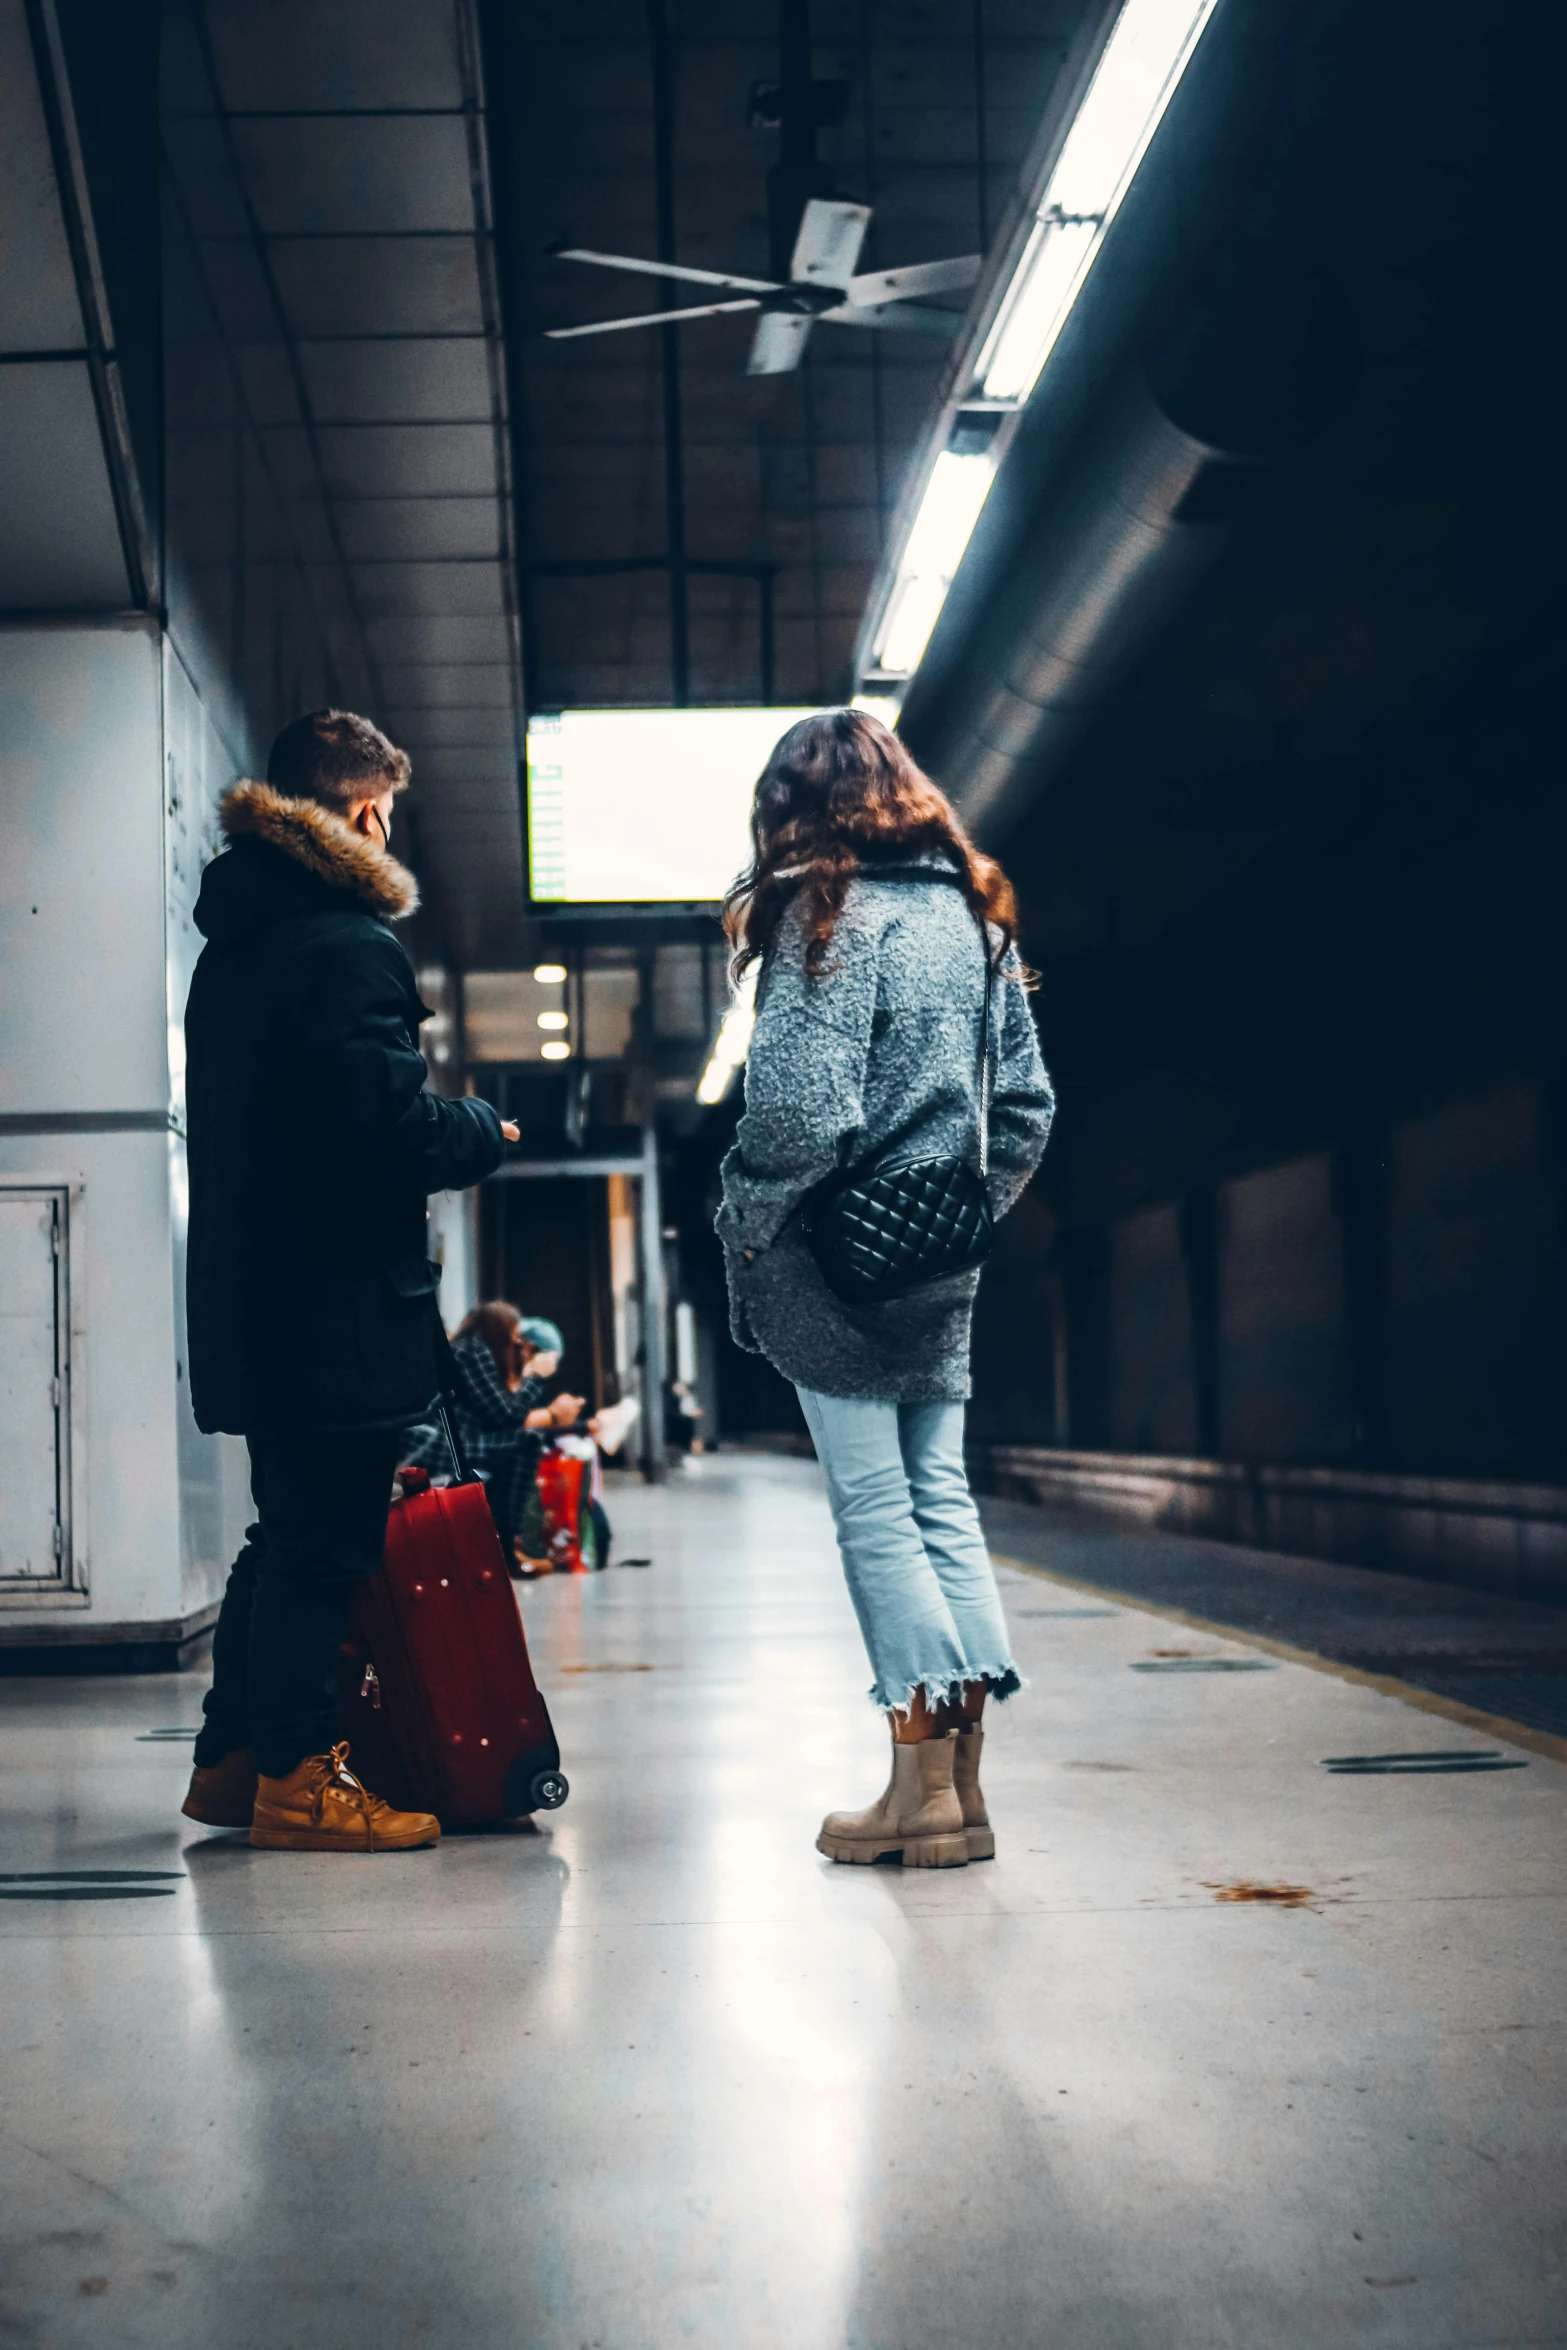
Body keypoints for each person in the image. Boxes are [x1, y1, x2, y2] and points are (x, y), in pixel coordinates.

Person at [715, 709, 1054, 1869]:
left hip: (833, 1264)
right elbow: (1026, 1110)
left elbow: (800, 1112)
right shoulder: (972, 920)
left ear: (792, 809)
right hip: (940, 1262)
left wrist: (750, 1218)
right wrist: (956, 1211)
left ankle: (918, 1795)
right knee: (938, 1502)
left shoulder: (827, 912)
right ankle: (960, 1791)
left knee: (875, 1511)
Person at [179, 709, 519, 1853]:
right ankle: (294, 1776)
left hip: (258, 1299)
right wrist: (481, 1125)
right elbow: (383, 1136)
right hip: (331, 1306)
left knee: (281, 1539)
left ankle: (231, 1757)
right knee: (325, 1546)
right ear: (364, 811)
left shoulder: (235, 948)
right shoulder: (345, 946)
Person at [404, 1305, 583, 1554]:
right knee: (526, 1443)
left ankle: (505, 1538)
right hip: (446, 1448)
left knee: (525, 1443)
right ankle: (507, 1541)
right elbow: (505, 1414)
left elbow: (503, 1412)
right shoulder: (471, 1353)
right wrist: (536, 1377)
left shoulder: (472, 1352)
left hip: (459, 1442)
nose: (518, 1345)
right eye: (514, 1339)